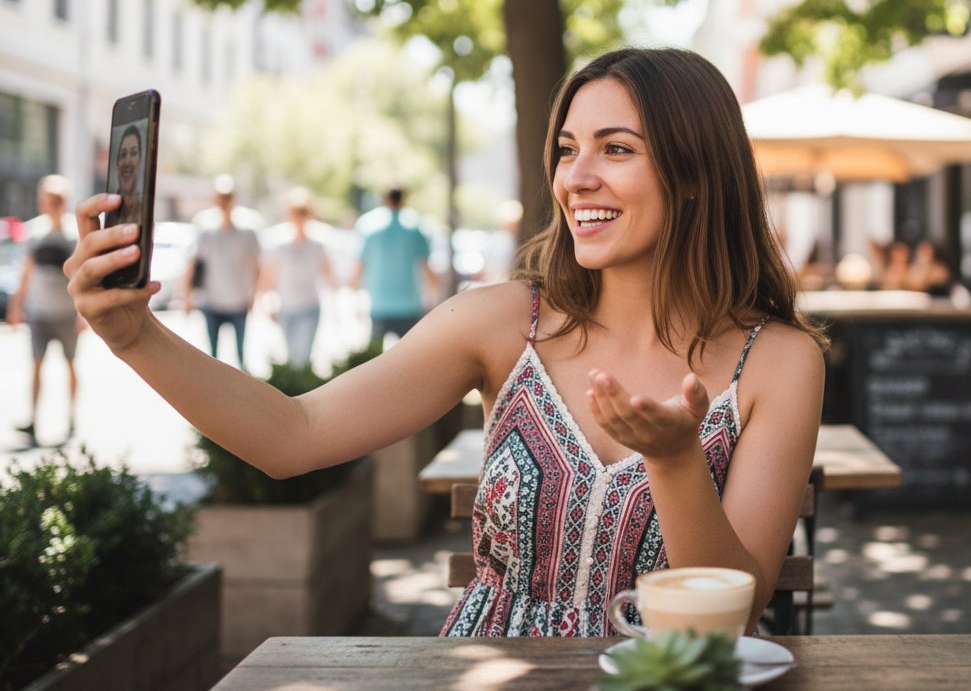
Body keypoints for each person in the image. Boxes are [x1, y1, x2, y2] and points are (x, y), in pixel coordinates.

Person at [64, 46, 825, 637]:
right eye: (566, 149)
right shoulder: (501, 322)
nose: (576, 178)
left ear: (696, 172)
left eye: (616, 149)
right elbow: (291, 437)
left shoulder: (781, 361)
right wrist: (138, 338)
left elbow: (741, 603)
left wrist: (676, 460)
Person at [6, 175, 81, 446]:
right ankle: (33, 420)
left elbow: (81, 276)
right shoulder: (34, 232)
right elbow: (25, 273)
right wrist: (17, 306)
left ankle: (72, 418)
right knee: (36, 366)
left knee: (70, 365)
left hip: (67, 312)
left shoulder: (73, 233)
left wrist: (83, 315)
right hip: (39, 312)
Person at [182, 175, 262, 370]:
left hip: (238, 300)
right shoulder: (205, 227)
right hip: (212, 301)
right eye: (220, 196)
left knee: (241, 356)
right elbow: (194, 264)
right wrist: (187, 297)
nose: (224, 201)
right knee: (213, 359)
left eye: (227, 196)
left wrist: (255, 295)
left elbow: (256, 266)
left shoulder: (248, 230)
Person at [260, 187, 337, 366]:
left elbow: (329, 275)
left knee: (302, 357)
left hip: (309, 308)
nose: (298, 217)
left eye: (302, 212)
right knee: (291, 356)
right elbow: (268, 278)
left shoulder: (317, 245)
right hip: (286, 308)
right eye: (294, 212)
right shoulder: (279, 244)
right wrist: (266, 303)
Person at [352, 187, 437, 341]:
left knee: (375, 359)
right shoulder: (415, 226)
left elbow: (360, 265)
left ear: (386, 199)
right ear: (403, 200)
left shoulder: (369, 226)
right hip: (409, 305)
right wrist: (434, 297)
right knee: (410, 358)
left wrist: (356, 297)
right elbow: (427, 266)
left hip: (379, 304)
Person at [104, 125, 143, 229]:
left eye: (134, 153)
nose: (127, 161)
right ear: (117, 163)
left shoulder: (143, 209)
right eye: (123, 154)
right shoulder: (109, 212)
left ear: (140, 161)